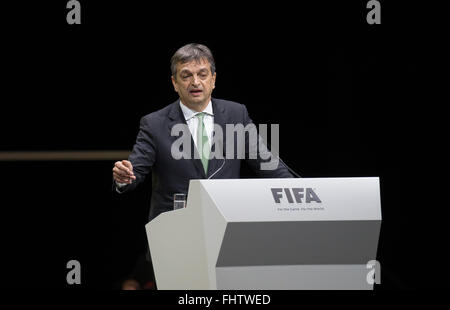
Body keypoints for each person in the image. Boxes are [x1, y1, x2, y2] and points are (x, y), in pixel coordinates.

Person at [112, 43, 293, 221]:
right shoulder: (154, 124)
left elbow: (268, 164)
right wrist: (123, 177)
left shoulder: (236, 115)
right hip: (174, 228)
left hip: (226, 224)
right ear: (175, 83)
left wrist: (301, 190)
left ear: (213, 80)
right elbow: (134, 171)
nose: (195, 82)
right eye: (186, 76)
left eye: (202, 74)